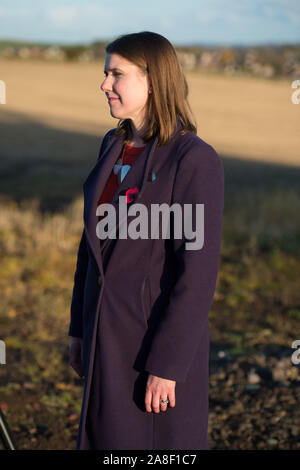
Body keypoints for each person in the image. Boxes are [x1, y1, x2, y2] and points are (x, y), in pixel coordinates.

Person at [68, 31, 224, 450]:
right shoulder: (112, 146)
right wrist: (78, 329)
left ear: (152, 80)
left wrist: (169, 364)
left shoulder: (193, 159)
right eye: (105, 73)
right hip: (103, 337)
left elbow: (198, 275)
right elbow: (92, 249)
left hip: (150, 349)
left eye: (116, 74)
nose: (104, 84)